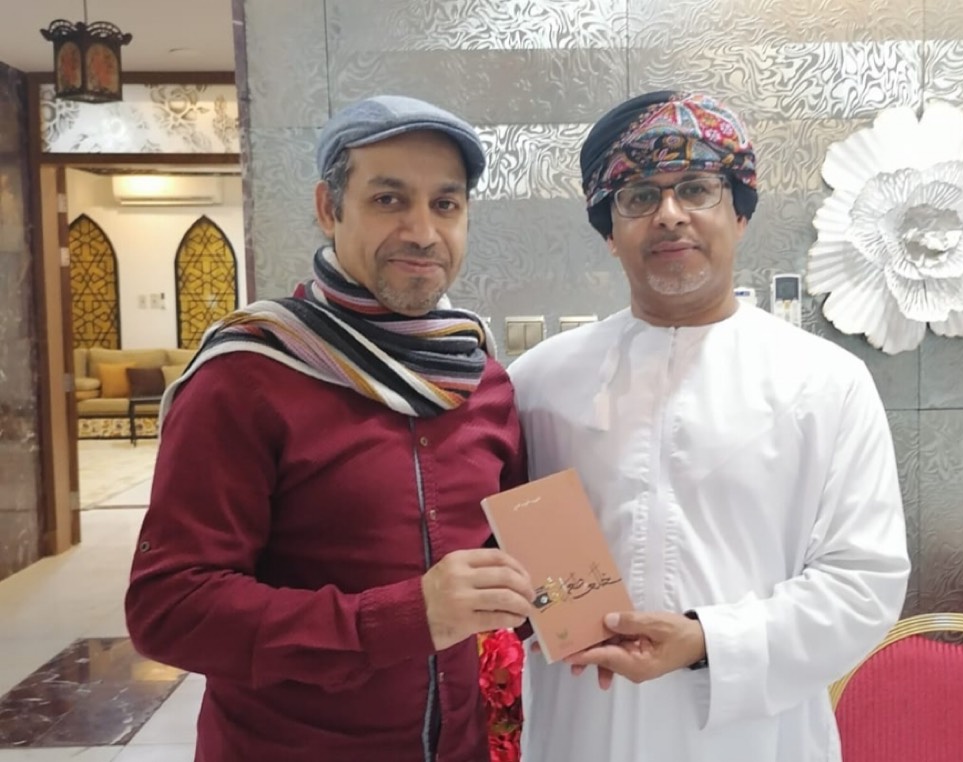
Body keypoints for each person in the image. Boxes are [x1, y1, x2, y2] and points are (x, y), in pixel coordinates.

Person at [124, 95, 535, 762]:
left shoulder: (481, 380)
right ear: (328, 207)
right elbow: (170, 608)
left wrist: (595, 622)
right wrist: (404, 618)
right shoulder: (248, 376)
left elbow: (514, 556)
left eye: (445, 204)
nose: (422, 231)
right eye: (388, 199)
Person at [507, 91, 911, 761]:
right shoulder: (538, 383)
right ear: (609, 231)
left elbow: (863, 584)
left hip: (754, 738)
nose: (670, 215)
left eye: (696, 188)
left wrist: (708, 641)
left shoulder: (825, 382)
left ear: (739, 213)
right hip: (584, 727)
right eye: (639, 196)